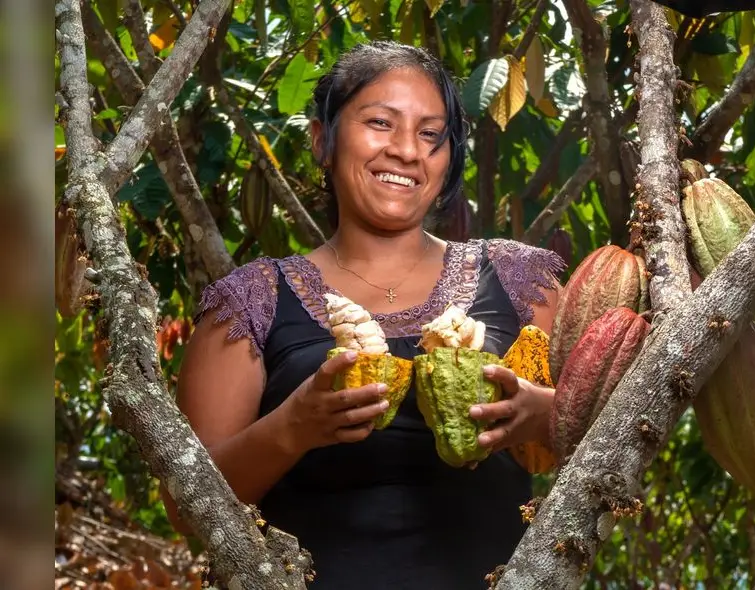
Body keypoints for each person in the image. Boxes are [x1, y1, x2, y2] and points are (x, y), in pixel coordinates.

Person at [164, 41, 566, 589]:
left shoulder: (522, 282)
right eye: (381, 123)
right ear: (322, 140)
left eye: (430, 134)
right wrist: (292, 428)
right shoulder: (252, 302)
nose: (406, 151)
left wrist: (546, 414)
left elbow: (612, 433)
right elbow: (184, 508)